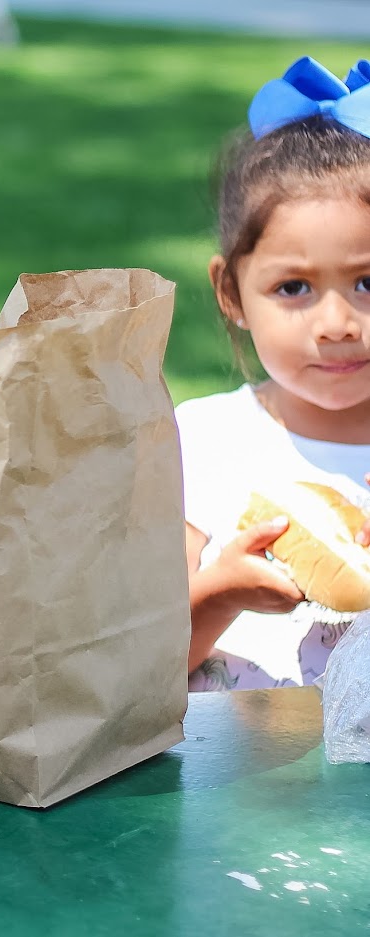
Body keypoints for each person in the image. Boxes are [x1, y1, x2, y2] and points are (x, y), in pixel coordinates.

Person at [180, 56, 370, 691]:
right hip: (226, 756)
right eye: (294, 288)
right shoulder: (200, 443)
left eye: (368, 282)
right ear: (231, 293)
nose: (337, 323)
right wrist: (220, 593)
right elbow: (124, 668)